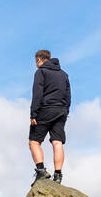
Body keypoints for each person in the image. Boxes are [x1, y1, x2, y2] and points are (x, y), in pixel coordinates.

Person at [28, 49, 70, 185]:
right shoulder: (63, 74)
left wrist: (33, 113)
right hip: (61, 110)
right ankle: (58, 175)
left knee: (34, 142)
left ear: (39, 60)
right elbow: (68, 95)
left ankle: (41, 171)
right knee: (57, 142)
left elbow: (37, 93)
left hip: (45, 109)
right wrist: (66, 110)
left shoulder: (41, 72)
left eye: (36, 61)